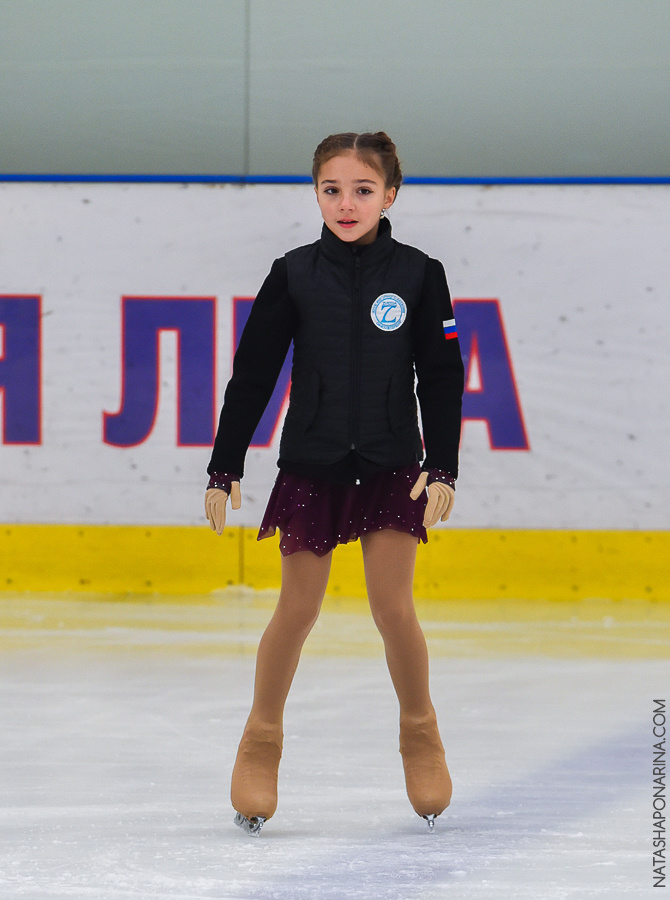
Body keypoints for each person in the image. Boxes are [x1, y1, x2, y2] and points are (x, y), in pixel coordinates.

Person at [205, 131, 464, 835]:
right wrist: (224, 464)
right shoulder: (292, 273)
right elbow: (252, 374)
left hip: (389, 466)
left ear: (389, 194)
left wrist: (441, 466)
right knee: (296, 609)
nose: (345, 204)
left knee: (392, 608)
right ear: (314, 192)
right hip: (314, 463)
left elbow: (441, 377)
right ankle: (261, 738)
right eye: (330, 189)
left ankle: (419, 730)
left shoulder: (417, 274)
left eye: (361, 189)